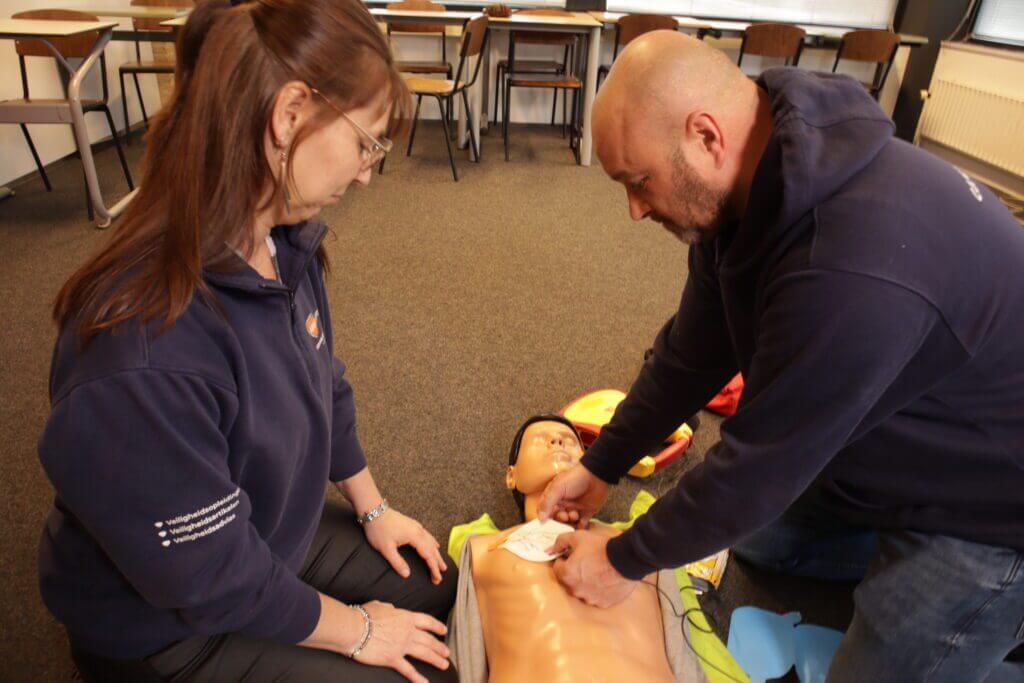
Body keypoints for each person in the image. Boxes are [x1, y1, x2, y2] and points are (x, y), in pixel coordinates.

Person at [537, 30, 1024, 682]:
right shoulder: (750, 185)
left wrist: (622, 559)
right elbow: (689, 355)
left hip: (991, 508)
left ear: (706, 137)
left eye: (638, 181)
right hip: (902, 430)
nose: (633, 210)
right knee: (758, 540)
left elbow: (758, 466)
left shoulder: (850, 265)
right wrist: (602, 462)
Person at [37, 1, 456, 681]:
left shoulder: (281, 237)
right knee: (424, 670)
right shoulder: (144, 351)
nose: (366, 172)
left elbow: (327, 381)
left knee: (445, 590)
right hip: (168, 627)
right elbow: (210, 574)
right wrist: (359, 629)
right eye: (366, 142)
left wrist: (374, 506)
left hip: (254, 529)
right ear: (289, 115)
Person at [448, 415, 705, 683]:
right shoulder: (482, 549)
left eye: (573, 442)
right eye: (539, 439)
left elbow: (681, 648)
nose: (558, 440)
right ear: (511, 476)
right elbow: (465, 656)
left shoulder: (646, 542)